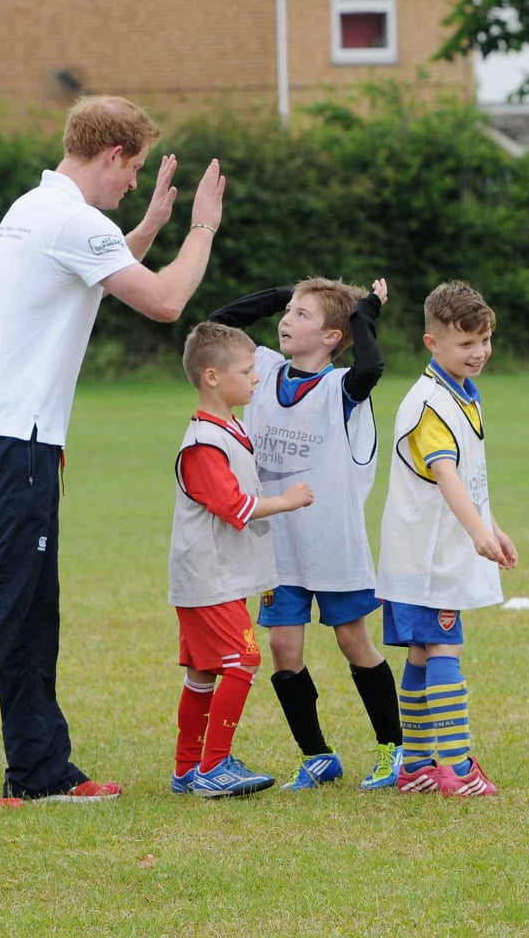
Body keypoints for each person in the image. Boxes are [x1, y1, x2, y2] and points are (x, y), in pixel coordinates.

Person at [0, 94, 225, 811]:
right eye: (133, 170)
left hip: (10, 440)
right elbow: (166, 300)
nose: (134, 183)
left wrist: (146, 229)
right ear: (111, 156)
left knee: (31, 607)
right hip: (11, 442)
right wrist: (202, 227)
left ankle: (41, 766)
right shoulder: (72, 222)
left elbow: (102, 270)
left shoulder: (36, 210)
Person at [209, 277, 403, 791]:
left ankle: (393, 749)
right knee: (282, 651)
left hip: (331, 540)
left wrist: (364, 314)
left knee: (351, 641)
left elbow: (371, 368)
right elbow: (219, 325)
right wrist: (282, 294)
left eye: (301, 316)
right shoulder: (267, 367)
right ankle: (318, 756)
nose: (286, 321)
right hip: (277, 539)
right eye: (286, 313)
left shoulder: (341, 386)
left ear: (333, 337)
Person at [377, 280, 518, 796]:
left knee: (420, 652)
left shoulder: (460, 393)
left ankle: (415, 765)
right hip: (428, 555)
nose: (478, 352)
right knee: (444, 648)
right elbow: (446, 475)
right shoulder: (430, 403)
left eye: (484, 340)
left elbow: (472, 474)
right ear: (432, 344)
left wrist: (492, 524)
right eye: (466, 343)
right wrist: (478, 532)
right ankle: (456, 769)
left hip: (423, 554)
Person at [169, 321, 314, 797]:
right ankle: (213, 767)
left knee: (201, 672)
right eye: (248, 371)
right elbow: (236, 508)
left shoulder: (228, 427)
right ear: (213, 377)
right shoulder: (203, 444)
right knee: (244, 658)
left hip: (218, 577)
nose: (256, 378)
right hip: (210, 579)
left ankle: (187, 769)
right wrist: (288, 500)